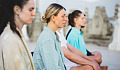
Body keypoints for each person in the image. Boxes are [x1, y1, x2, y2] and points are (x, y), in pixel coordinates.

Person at [0, 0, 35, 70]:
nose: (34, 14)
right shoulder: (10, 39)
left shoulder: (17, 34)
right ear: (17, 10)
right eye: (30, 10)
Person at [33, 3, 68, 70]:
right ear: (53, 18)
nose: (66, 19)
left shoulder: (54, 36)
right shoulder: (47, 39)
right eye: (63, 16)